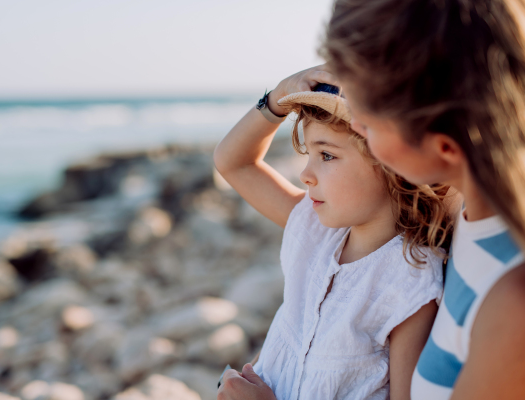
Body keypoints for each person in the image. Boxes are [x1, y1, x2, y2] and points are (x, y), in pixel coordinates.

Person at [319, 0, 525, 399]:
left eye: (369, 123)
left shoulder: (514, 309)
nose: (355, 124)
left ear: (444, 147)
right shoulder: (465, 204)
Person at [213, 70, 456, 399]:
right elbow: (231, 162)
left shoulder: (408, 283)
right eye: (309, 155)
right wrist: (277, 99)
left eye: (327, 155)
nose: (305, 174)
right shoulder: (314, 228)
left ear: (392, 165)